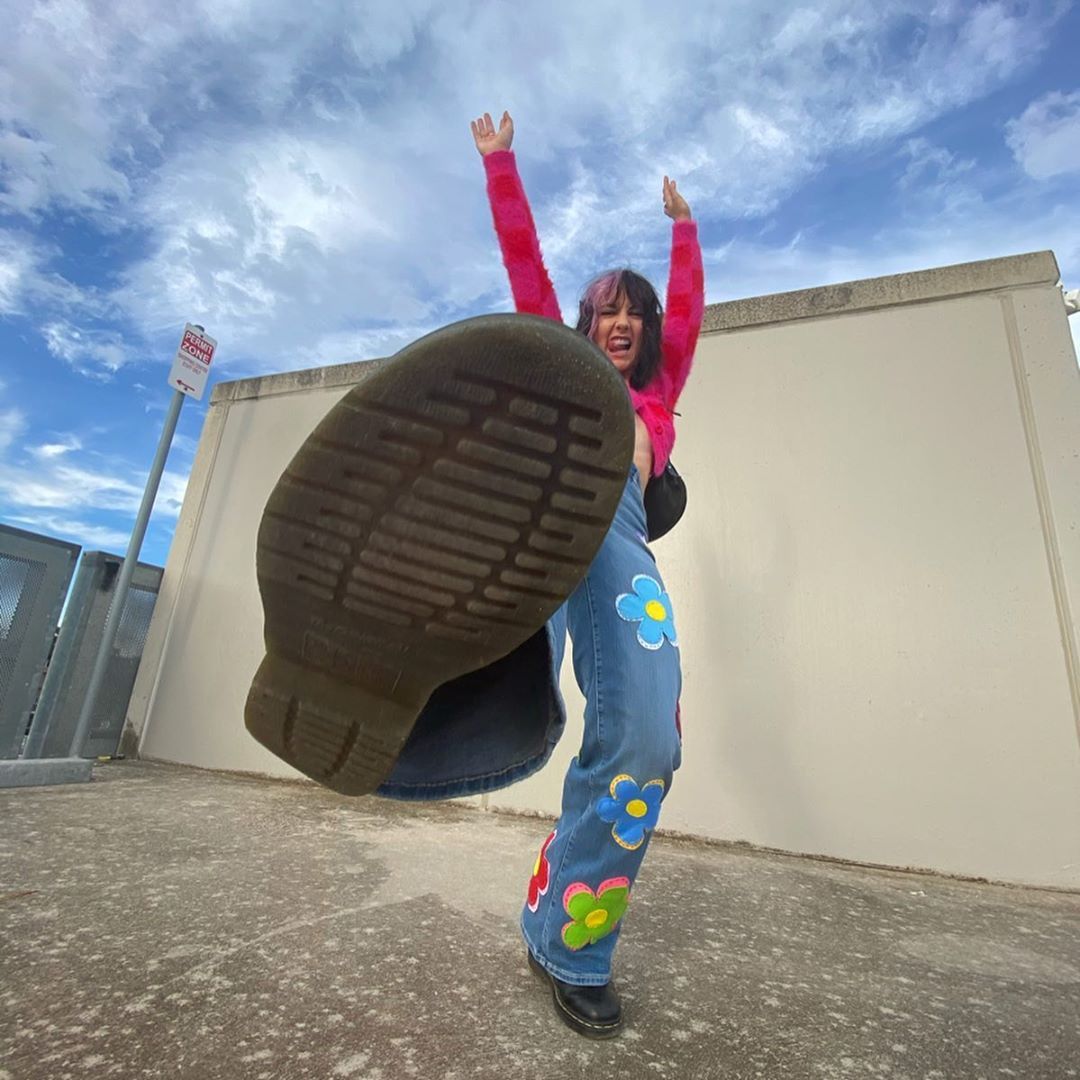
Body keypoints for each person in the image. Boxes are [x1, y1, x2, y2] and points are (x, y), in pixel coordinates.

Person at [470, 110, 705, 1038]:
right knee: (497, 695)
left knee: (649, 745)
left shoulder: (658, 393)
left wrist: (685, 231)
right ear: (585, 321)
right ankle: (575, 951)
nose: (621, 322)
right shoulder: (564, 364)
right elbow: (526, 268)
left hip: (622, 545)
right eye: (606, 309)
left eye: (634, 313)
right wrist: (501, 164)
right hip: (543, 530)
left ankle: (560, 912)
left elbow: (688, 310)